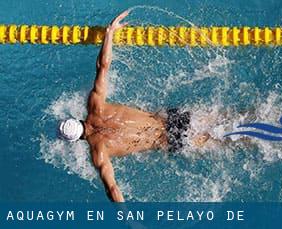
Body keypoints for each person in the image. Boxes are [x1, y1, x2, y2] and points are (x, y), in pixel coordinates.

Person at [58, 11, 210, 202]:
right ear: (76, 119)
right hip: (172, 118)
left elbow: (112, 189)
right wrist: (109, 33)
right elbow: (103, 66)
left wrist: (130, 221)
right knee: (226, 118)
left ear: (76, 140)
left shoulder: (99, 152)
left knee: (228, 141)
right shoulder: (95, 105)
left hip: (171, 140)